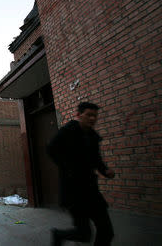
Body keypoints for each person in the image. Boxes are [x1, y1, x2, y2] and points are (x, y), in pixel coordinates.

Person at [48, 102, 115, 246]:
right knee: (84, 234)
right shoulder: (68, 130)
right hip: (74, 192)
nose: (92, 119)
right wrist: (68, 168)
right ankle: (58, 235)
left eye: (95, 116)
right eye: (89, 115)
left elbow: (97, 160)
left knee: (107, 231)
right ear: (79, 115)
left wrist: (105, 170)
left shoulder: (92, 136)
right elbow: (51, 149)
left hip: (91, 189)